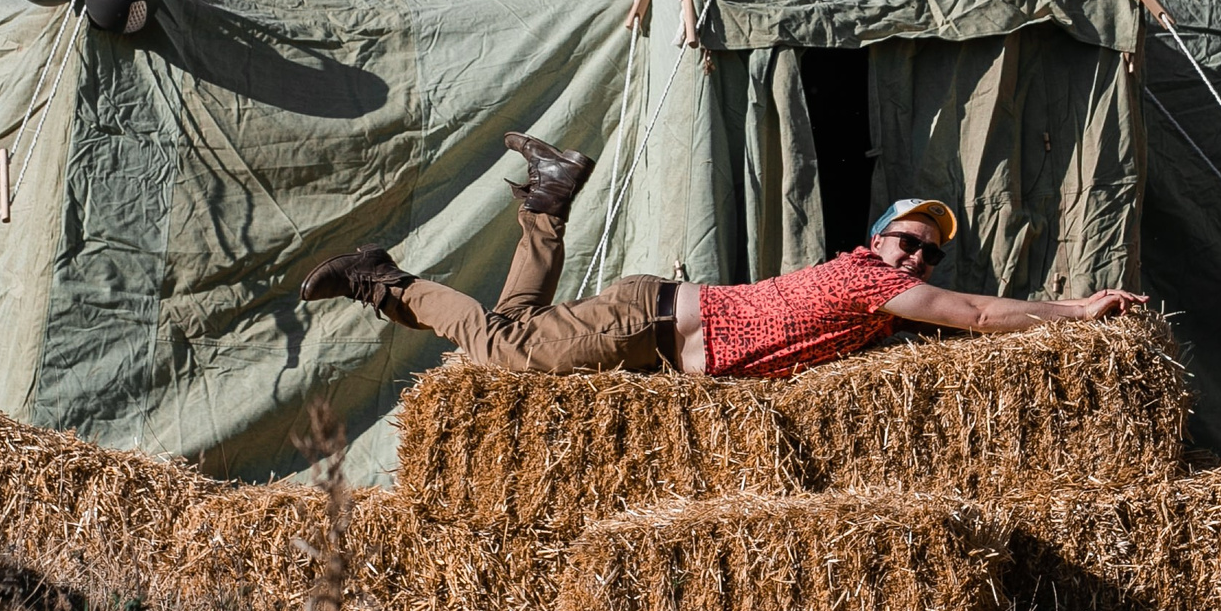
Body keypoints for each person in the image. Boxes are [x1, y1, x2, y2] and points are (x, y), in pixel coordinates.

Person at [299, 132, 1145, 378]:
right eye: (910, 242)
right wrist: (1075, 310)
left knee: (515, 320)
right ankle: (383, 278)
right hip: (648, 323)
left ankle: (550, 197)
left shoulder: (875, 315)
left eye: (929, 255)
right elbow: (977, 315)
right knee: (500, 349)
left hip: (653, 328)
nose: (919, 261)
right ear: (876, 239)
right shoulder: (866, 284)